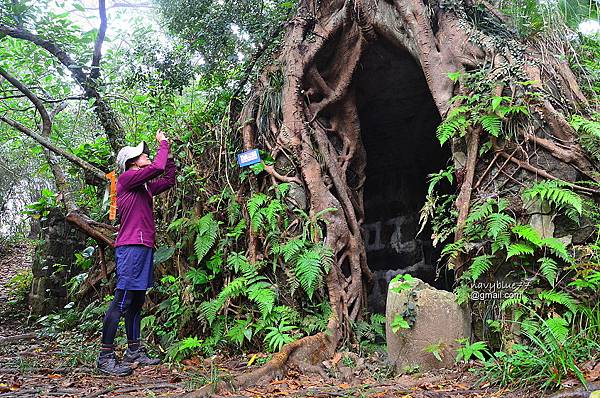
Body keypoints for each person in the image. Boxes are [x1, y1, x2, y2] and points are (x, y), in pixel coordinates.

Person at [97, 130, 177, 376]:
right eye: (143, 155)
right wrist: (163, 143)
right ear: (132, 162)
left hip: (143, 246)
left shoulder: (143, 187)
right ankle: (105, 356)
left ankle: (134, 350)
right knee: (122, 299)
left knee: (137, 300)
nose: (147, 156)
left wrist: (170, 156)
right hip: (131, 246)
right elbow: (157, 167)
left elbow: (168, 178)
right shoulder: (126, 180)